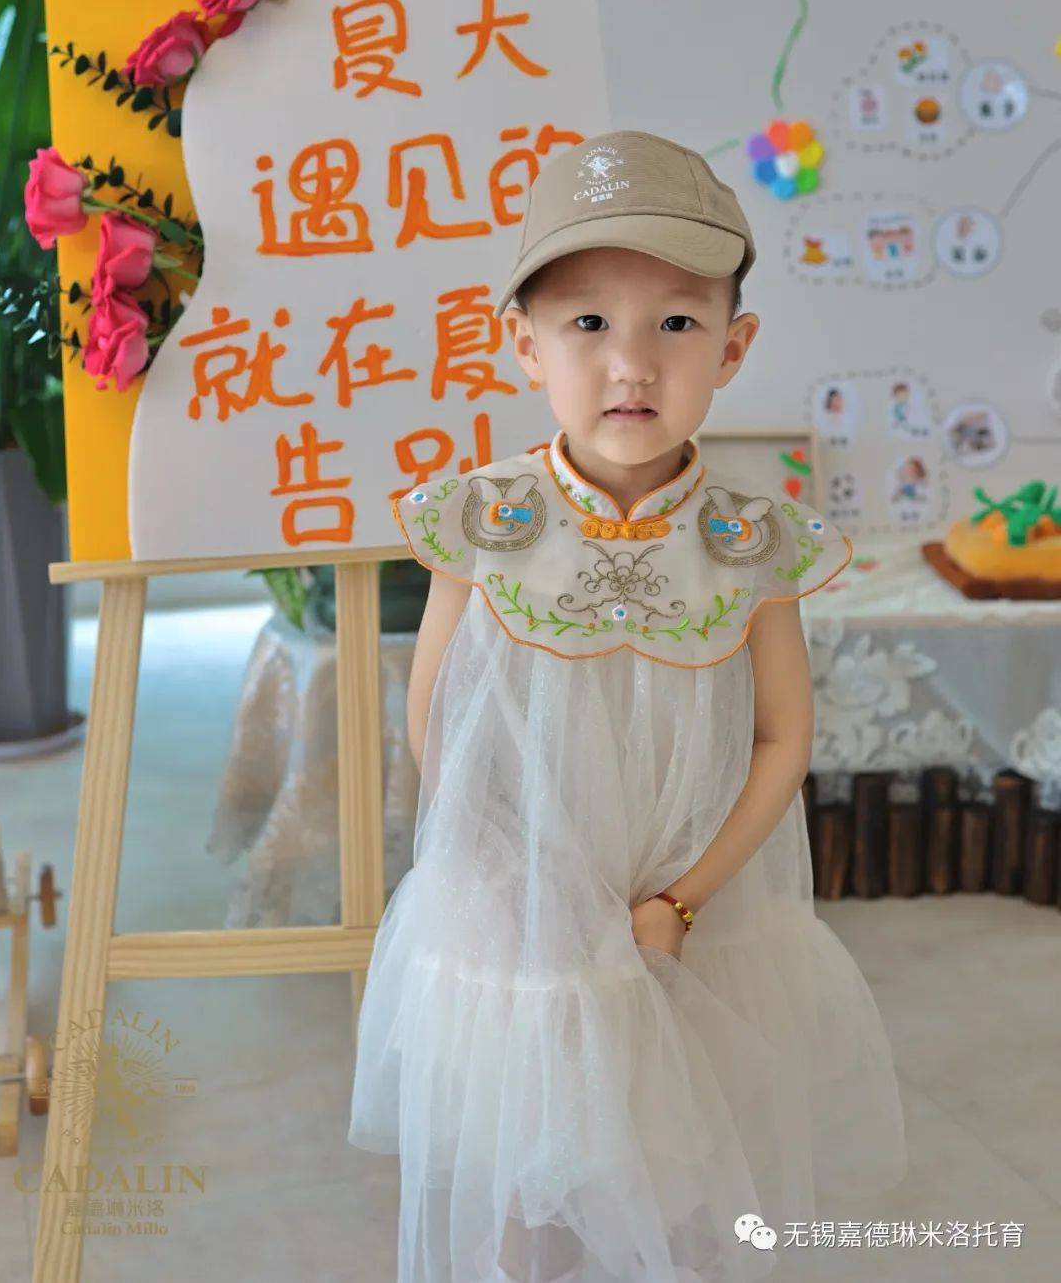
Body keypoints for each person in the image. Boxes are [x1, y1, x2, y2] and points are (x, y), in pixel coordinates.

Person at [347, 131, 907, 1283]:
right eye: (590, 323)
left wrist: (683, 899)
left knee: (689, 1145)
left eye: (678, 323)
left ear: (734, 345)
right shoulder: (484, 519)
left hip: (692, 903)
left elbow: (782, 734)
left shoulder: (752, 541)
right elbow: (439, 712)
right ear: (525, 344)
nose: (632, 365)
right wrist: (501, 869)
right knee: (527, 1144)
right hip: (521, 897)